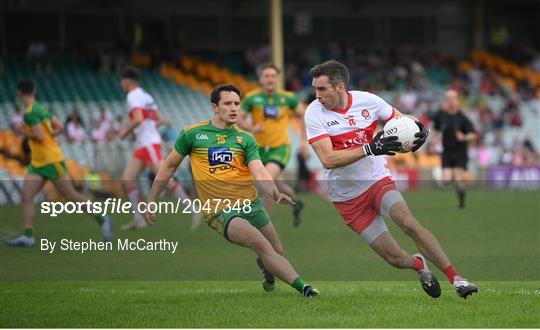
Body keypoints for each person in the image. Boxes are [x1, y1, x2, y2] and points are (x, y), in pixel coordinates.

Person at [304, 60, 477, 299]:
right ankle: (419, 266)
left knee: (408, 222)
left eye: (322, 89)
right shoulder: (314, 112)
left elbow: (401, 119)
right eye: (315, 89)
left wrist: (418, 128)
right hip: (346, 197)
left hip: (377, 180)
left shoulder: (369, 101)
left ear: (340, 87)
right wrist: (369, 148)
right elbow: (328, 159)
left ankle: (457, 279)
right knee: (394, 258)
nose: (317, 95)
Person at [144, 84, 319, 297]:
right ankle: (305, 289)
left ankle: (266, 266)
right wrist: (152, 199)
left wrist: (274, 192)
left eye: (237, 103)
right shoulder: (192, 134)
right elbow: (168, 166)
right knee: (262, 245)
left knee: (276, 251)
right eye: (228, 103)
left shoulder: (245, 139)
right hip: (219, 210)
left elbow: (260, 172)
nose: (234, 107)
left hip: (251, 204)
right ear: (215, 107)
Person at [5, 80, 112, 247]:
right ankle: (28, 236)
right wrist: (49, 138)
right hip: (39, 161)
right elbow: (59, 128)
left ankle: (103, 219)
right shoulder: (42, 109)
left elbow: (39, 135)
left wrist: (23, 131)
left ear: (19, 93)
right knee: (26, 195)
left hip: (50, 161)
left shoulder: (30, 112)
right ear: (33, 91)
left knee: (71, 196)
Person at [119, 66, 196, 230]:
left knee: (165, 178)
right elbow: (160, 119)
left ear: (126, 80)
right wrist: (148, 127)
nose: (121, 84)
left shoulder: (132, 96)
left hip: (148, 143)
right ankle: (139, 218)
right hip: (144, 143)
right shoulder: (146, 96)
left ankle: (193, 210)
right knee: (127, 178)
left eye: (122, 81)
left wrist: (125, 132)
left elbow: (138, 119)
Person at [238, 63, 307, 227]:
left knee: (267, 179)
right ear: (261, 79)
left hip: (280, 148)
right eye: (266, 76)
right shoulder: (252, 98)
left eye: (272, 76)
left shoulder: (287, 98)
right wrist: (250, 127)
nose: (269, 79)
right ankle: (296, 203)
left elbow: (304, 115)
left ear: (277, 79)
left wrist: (304, 140)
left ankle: (264, 225)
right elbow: (239, 118)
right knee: (279, 185)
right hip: (259, 150)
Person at [432, 90, 477, 209]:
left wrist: (464, 137)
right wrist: (434, 139)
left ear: (457, 101)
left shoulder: (462, 118)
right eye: (448, 98)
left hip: (460, 152)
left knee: (458, 178)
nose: (451, 101)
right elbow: (435, 128)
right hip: (447, 152)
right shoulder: (441, 115)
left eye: (453, 98)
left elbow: (473, 134)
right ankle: (458, 179)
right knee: (446, 181)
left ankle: (462, 203)